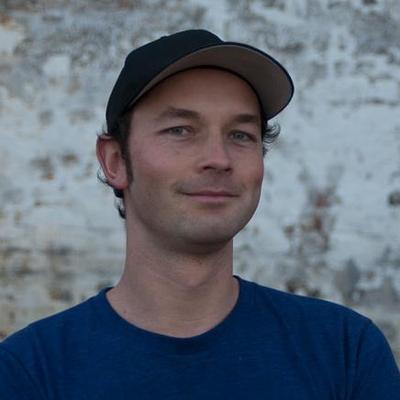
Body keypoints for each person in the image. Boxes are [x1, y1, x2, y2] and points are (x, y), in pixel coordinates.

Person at [0, 29, 399, 399]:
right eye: (181, 130)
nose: (218, 158)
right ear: (116, 160)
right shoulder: (29, 372)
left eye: (240, 135)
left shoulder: (344, 352)